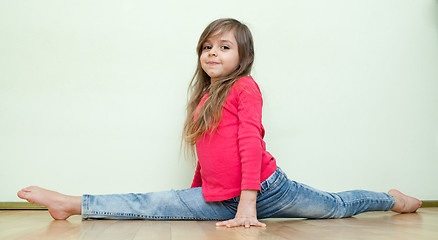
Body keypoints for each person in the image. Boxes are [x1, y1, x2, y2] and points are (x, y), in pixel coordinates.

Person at [17, 18, 422, 228]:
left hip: (267, 190)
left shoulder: (245, 87)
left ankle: (393, 199)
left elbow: (249, 142)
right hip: (219, 197)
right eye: (206, 47)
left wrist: (248, 201)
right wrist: (195, 197)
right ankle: (69, 202)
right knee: (148, 204)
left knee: (336, 207)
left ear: (242, 56)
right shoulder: (204, 97)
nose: (212, 53)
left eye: (223, 47)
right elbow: (206, 151)